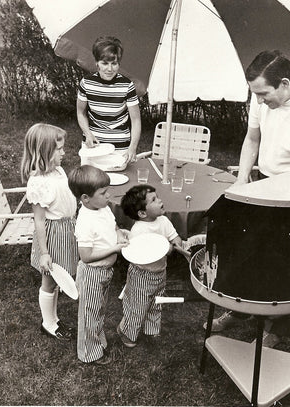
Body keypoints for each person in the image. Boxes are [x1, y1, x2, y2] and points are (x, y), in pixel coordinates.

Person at [207, 50, 290, 348]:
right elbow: (252, 138)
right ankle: (239, 311)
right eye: (256, 95)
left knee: (283, 262)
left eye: (264, 94)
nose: (260, 101)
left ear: (284, 83)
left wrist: (285, 198)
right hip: (262, 182)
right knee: (247, 251)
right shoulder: (260, 95)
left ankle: (277, 329)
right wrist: (243, 181)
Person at [21, 123, 79, 341]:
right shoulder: (39, 183)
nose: (64, 153)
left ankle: (54, 319)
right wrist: (44, 252)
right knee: (49, 281)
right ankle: (48, 323)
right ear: (44, 152)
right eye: (59, 149)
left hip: (66, 230)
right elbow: (39, 220)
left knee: (58, 278)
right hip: (53, 236)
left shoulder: (58, 171)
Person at [68, 165, 129, 365]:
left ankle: (97, 341)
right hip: (92, 274)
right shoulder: (85, 222)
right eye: (103, 193)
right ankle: (89, 353)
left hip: (104, 272)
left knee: (98, 310)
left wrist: (120, 234)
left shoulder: (102, 208)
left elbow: (113, 226)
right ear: (86, 198)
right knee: (89, 314)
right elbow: (85, 256)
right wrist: (114, 249)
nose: (108, 196)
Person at [117, 184, 186, 348]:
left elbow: (174, 236)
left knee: (157, 302)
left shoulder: (163, 220)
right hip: (142, 275)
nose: (160, 200)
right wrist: (166, 249)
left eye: (158, 197)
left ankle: (151, 329)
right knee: (138, 306)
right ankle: (127, 333)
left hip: (160, 272)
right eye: (154, 200)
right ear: (142, 213)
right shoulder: (139, 231)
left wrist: (177, 243)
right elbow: (142, 256)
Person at [77, 36, 141, 163]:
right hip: (93, 146)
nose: (110, 69)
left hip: (120, 147)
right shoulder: (86, 83)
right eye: (105, 63)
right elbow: (80, 112)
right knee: (89, 182)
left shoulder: (127, 85)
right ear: (97, 63)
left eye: (114, 63)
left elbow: (136, 119)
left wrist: (132, 148)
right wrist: (87, 133)